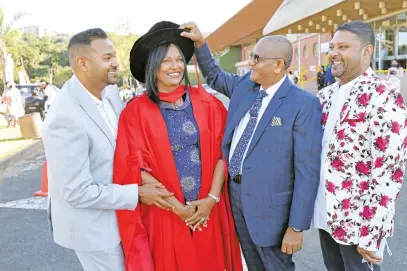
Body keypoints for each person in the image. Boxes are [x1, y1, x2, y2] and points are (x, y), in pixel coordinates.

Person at [181, 22, 322, 271]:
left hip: (272, 210)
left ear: (278, 65)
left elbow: (307, 170)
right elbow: (214, 76)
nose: (251, 63)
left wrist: (296, 227)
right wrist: (201, 44)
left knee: (276, 266)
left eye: (257, 58)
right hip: (236, 196)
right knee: (252, 264)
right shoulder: (245, 87)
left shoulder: (303, 104)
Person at [113, 21, 242, 271]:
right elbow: (135, 168)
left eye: (179, 59)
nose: (175, 66)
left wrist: (211, 200)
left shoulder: (208, 104)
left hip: (206, 210)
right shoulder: (135, 112)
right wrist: (178, 209)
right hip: (166, 214)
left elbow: (222, 155)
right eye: (166, 61)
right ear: (153, 66)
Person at [41, 28, 173, 271]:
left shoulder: (109, 91)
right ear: (82, 63)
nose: (116, 63)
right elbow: (77, 191)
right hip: (94, 230)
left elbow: (124, 147)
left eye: (114, 56)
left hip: (123, 215)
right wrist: (138, 193)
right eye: (107, 58)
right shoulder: (65, 118)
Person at [314, 21, 407, 271]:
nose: (334, 52)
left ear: (366, 51)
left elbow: (390, 170)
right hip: (325, 218)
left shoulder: (384, 96)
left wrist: (371, 231)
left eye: (343, 46)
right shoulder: (324, 97)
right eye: (332, 46)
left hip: (359, 225)